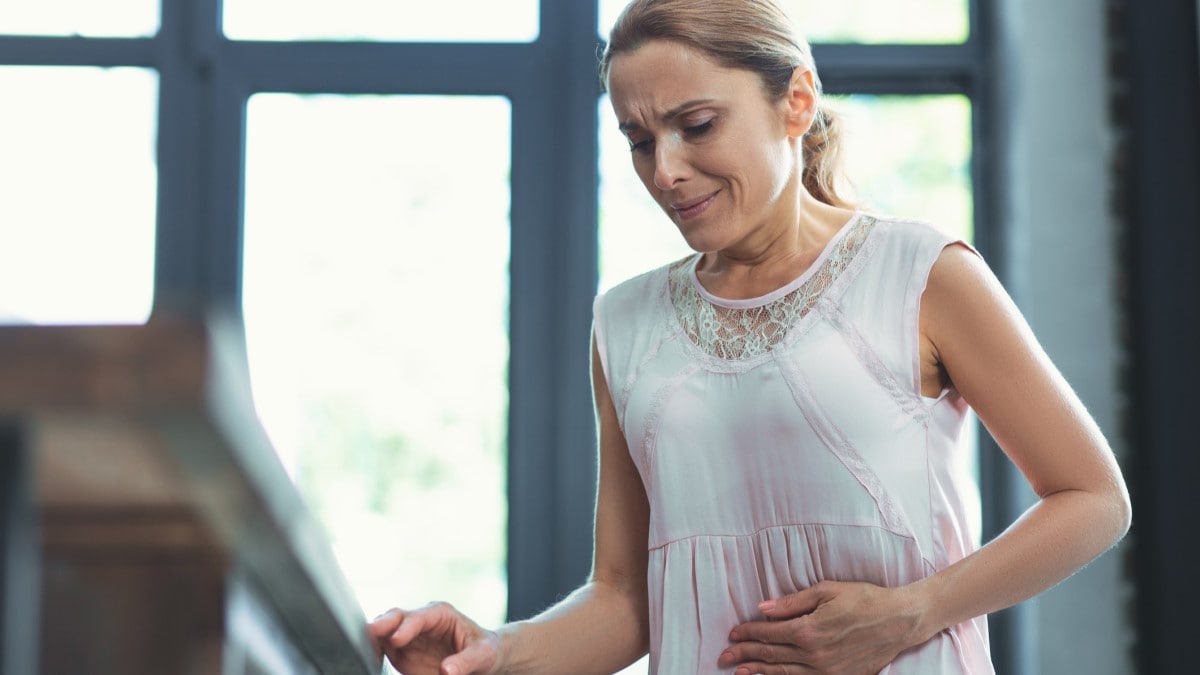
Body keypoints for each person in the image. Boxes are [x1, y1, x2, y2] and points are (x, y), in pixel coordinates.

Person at [368, 0, 1132, 672]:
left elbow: (1094, 498)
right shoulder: (624, 325)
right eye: (638, 140)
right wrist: (494, 654)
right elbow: (628, 600)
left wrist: (916, 610)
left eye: (695, 125)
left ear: (796, 100)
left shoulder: (921, 272)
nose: (665, 170)